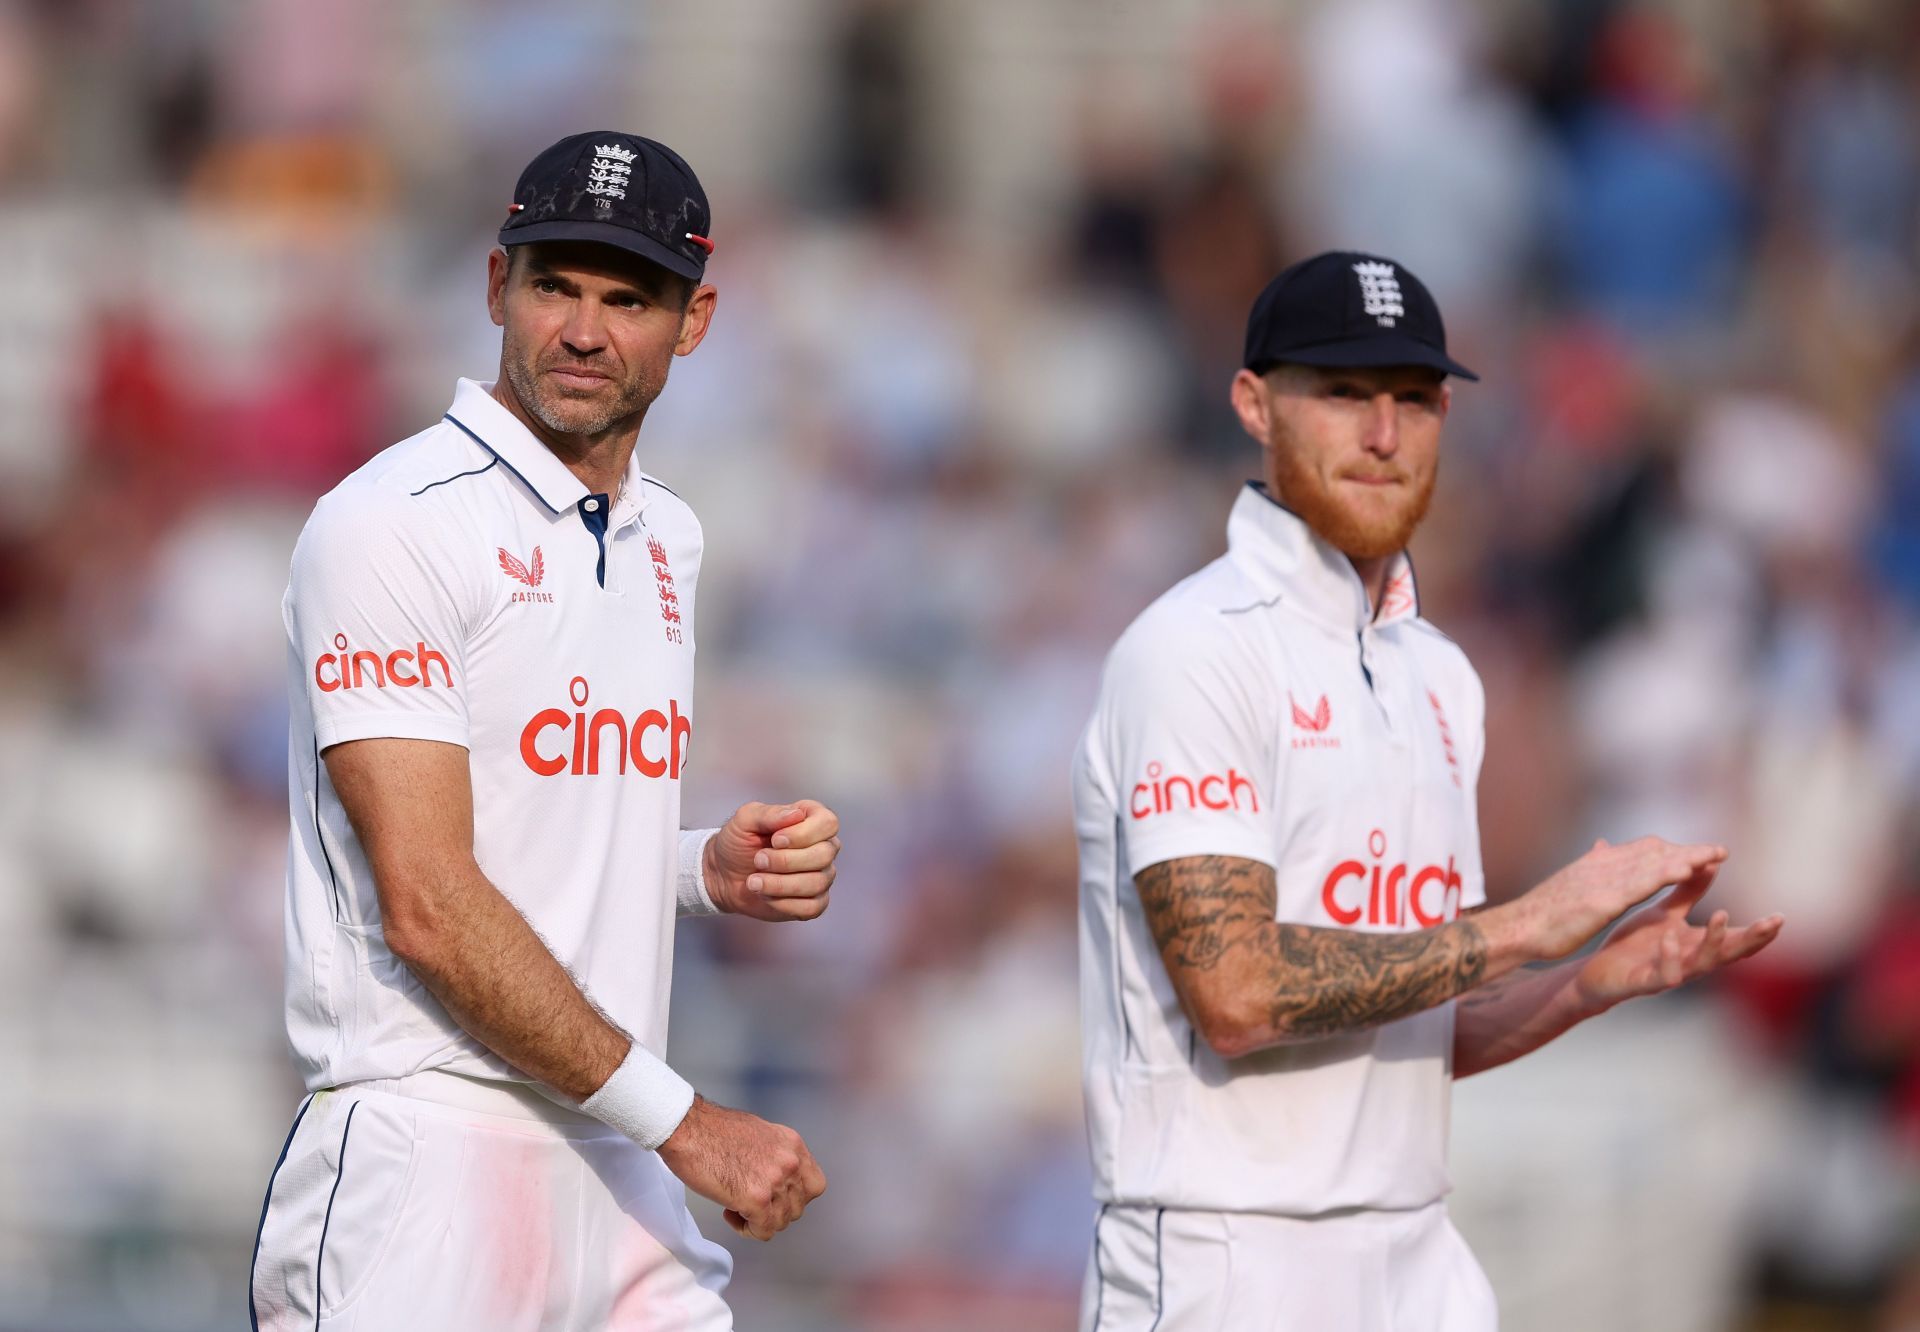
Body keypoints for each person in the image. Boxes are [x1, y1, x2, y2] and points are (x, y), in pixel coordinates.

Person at [1070, 251, 1784, 1331]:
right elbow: (1238, 993)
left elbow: (1418, 1020)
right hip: (1228, 1253)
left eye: (1413, 399)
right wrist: (1527, 928)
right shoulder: (1190, 651)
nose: (1383, 435)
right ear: (1255, 405)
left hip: (1416, 1254)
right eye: (1344, 394)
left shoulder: (1439, 675)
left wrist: (1591, 979)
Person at [249, 132, 836, 1331]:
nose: (584, 329)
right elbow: (426, 902)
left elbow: (536, 824)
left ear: (697, 320)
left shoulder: (668, 533)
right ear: (494, 286)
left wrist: (696, 868)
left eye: (629, 299)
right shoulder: (390, 524)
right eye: (556, 285)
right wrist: (688, 1124)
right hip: (432, 1152)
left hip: (614, 1168)